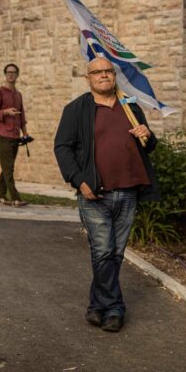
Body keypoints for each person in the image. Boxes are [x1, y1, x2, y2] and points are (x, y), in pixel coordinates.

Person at [53, 57, 159, 333]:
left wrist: (148, 134)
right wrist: (79, 180)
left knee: (115, 254)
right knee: (103, 252)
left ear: (114, 76)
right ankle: (115, 308)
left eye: (108, 71)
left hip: (128, 191)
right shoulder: (77, 109)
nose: (103, 76)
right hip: (94, 194)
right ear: (88, 78)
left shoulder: (129, 105)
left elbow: (148, 146)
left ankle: (96, 305)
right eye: (97, 72)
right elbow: (62, 147)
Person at [0, 62, 29, 207]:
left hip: (15, 136)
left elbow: (22, 116)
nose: (11, 75)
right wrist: (6, 112)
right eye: (9, 72)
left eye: (14, 72)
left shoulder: (18, 95)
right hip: (2, 134)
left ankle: (0, 195)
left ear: (17, 75)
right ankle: (15, 197)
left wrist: (25, 133)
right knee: (8, 168)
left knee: (7, 166)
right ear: (5, 74)